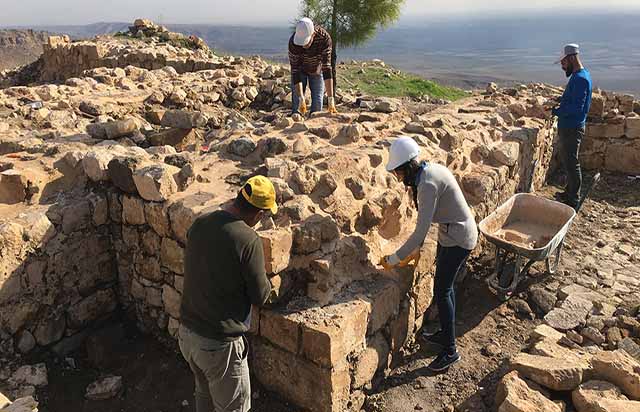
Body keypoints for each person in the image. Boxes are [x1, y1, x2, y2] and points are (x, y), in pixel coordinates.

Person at [178, 175, 277, 412]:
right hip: (218, 346)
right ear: (258, 214)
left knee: (204, 394)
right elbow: (260, 295)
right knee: (233, 407)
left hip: (188, 335)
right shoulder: (247, 239)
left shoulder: (201, 223)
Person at [379, 136, 478, 372]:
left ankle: (450, 351)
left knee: (443, 290)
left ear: (407, 167)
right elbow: (424, 230)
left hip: (460, 238)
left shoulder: (427, 184)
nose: (398, 178)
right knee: (447, 287)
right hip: (451, 233)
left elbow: (420, 231)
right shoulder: (426, 172)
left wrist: (393, 260)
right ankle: (446, 334)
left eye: (398, 173)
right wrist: (414, 252)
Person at [551, 43, 592, 208]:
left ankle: (573, 199)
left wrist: (556, 112)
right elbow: (574, 100)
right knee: (569, 162)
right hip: (570, 126)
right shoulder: (579, 75)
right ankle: (569, 193)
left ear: (571, 58)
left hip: (572, 127)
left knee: (572, 163)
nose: (562, 66)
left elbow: (577, 108)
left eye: (563, 62)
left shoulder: (581, 79)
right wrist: (561, 100)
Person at [288, 17, 337, 116]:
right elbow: (295, 71)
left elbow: (327, 69)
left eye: (306, 42)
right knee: (297, 105)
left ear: (313, 34)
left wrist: (331, 98)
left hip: (317, 70)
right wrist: (301, 97)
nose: (303, 46)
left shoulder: (324, 39)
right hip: (300, 71)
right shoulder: (293, 43)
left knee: (318, 104)